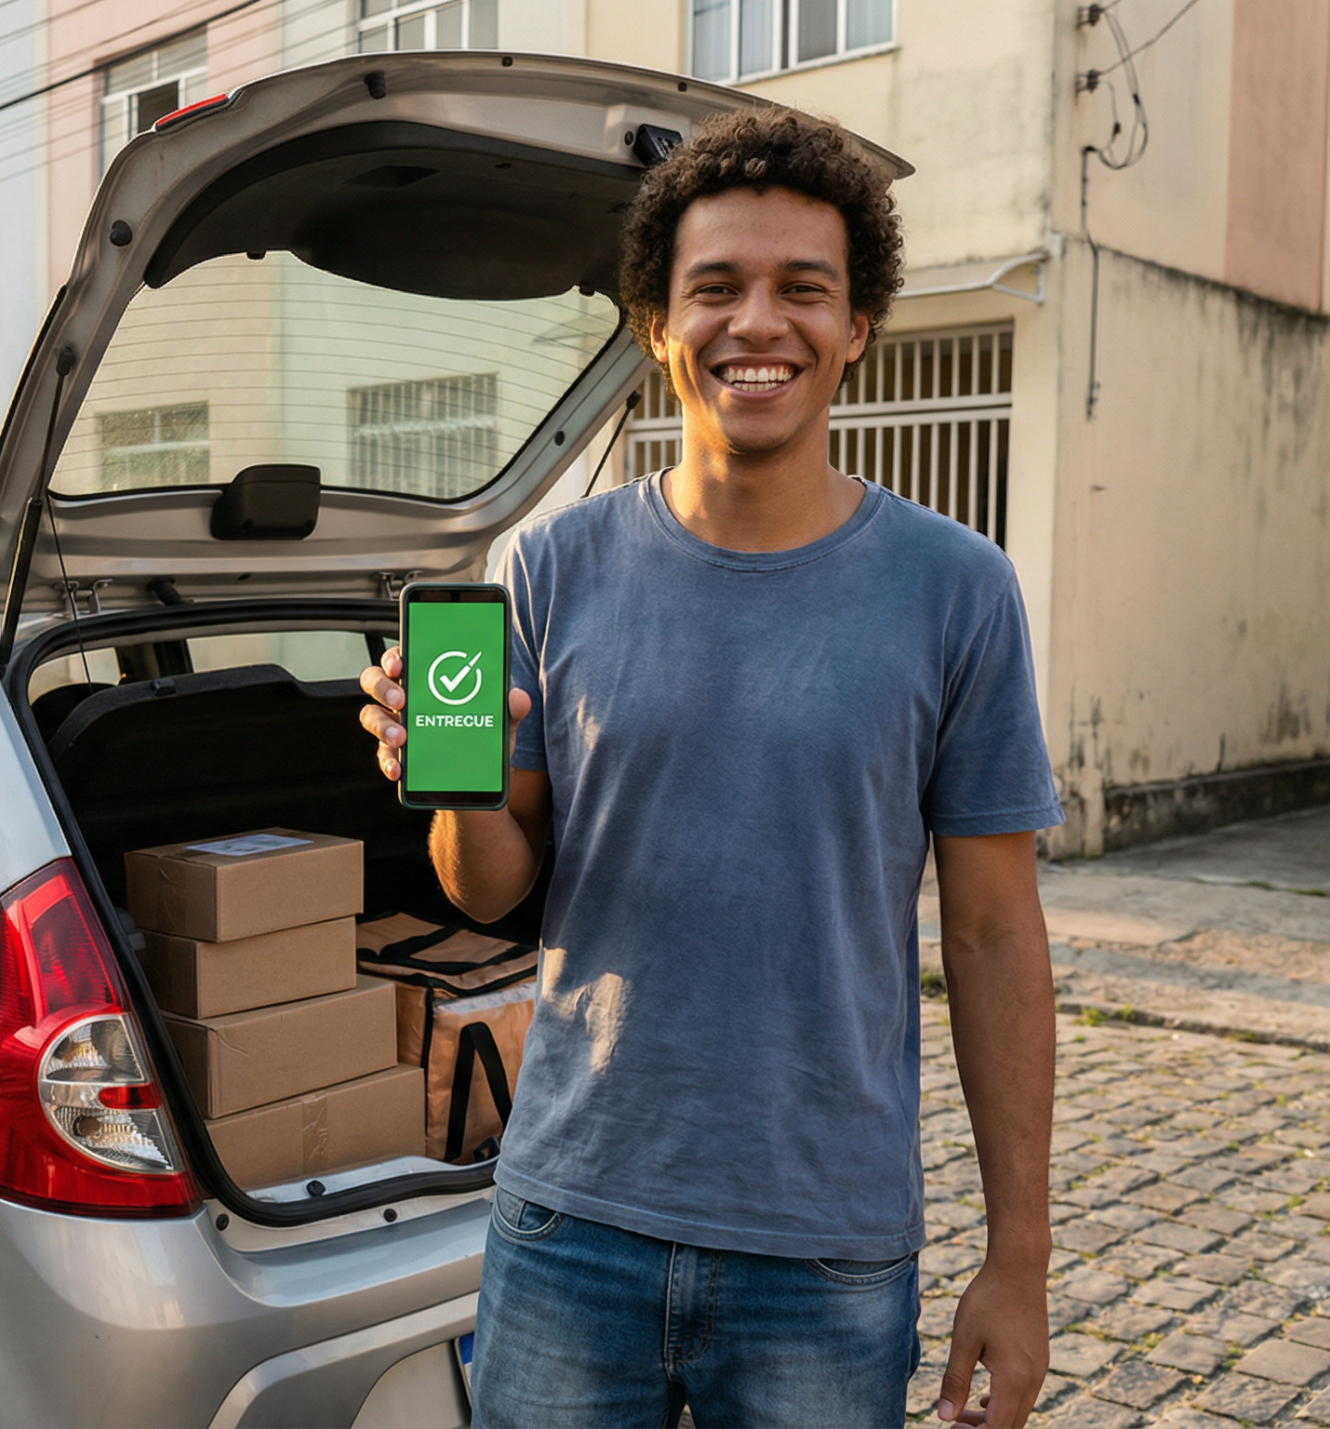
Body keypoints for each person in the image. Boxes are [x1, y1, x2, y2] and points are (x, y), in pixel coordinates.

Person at [359, 108, 1061, 1428]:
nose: (758, 324)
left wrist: (1017, 1260)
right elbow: (488, 888)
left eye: (804, 289)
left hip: (825, 1247)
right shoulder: (550, 566)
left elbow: (993, 934)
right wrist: (457, 786)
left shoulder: (958, 592)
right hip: (569, 1219)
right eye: (717, 287)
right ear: (655, 322)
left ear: (858, 326)